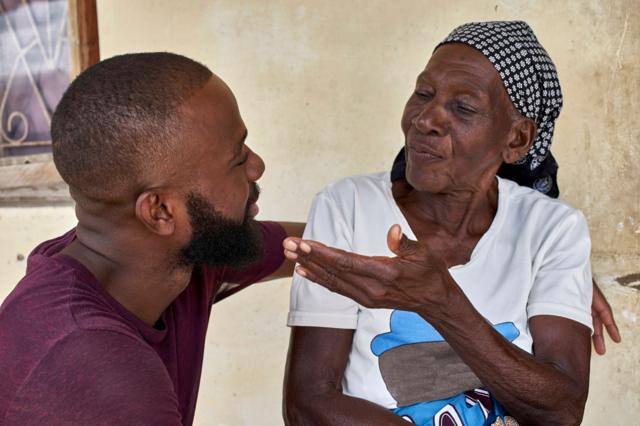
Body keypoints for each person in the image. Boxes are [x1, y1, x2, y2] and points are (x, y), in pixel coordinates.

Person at [284, 21, 613, 425]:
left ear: (516, 139)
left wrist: (439, 301)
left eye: (463, 108)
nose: (425, 119)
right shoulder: (346, 206)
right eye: (423, 93)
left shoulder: (553, 230)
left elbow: (561, 410)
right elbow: (308, 405)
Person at [0, 53, 303, 425]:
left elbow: (309, 247)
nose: (257, 166)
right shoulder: (95, 370)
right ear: (160, 211)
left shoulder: (166, 256)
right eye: (238, 159)